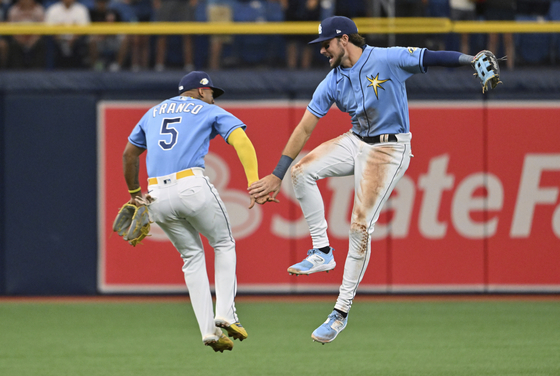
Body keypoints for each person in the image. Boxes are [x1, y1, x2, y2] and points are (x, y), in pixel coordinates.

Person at [248, 16, 494, 344]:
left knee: (359, 228)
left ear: (344, 39)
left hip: (390, 148)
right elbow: (304, 127)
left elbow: (430, 57)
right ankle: (322, 251)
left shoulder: (386, 58)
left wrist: (470, 59)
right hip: (356, 140)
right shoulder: (332, 81)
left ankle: (340, 313)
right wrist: (277, 174)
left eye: (326, 43)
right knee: (301, 172)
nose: (322, 50)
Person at [122, 71, 259, 352]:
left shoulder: (152, 112)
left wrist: (135, 194)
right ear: (200, 91)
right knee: (223, 243)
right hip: (191, 185)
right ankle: (226, 313)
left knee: (191, 257)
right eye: (211, 93)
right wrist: (253, 180)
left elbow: (129, 154)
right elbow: (240, 139)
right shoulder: (208, 109)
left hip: (155, 194)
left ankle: (209, 332)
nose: (213, 98)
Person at [44, 0, 91, 68]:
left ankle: (80, 71)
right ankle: (51, 72)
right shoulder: (53, 9)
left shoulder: (81, 9)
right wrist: (59, 38)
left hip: (76, 41)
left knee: (83, 42)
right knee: (48, 42)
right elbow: (47, 28)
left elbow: (85, 29)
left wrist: (73, 39)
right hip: (57, 40)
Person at [153, 0, 197, 72]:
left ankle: (189, 65)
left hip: (184, 3)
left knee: (187, 33)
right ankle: (159, 64)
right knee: (162, 33)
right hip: (166, 2)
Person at [6, 0, 46, 69]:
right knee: (13, 44)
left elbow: (42, 28)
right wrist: (20, 39)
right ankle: (17, 71)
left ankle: (37, 71)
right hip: (19, 38)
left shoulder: (38, 9)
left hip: (34, 37)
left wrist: (33, 40)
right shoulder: (14, 10)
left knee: (41, 43)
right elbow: (11, 28)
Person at [283, 0, 321, 70]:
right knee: (292, 41)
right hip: (292, 8)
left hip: (309, 13)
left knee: (308, 41)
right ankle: (291, 70)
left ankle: (306, 70)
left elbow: (312, 5)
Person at [88, 0, 125, 71]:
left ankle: (117, 65)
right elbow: (88, 30)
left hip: (112, 38)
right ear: (96, 3)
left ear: (107, 3)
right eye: (99, 2)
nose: (101, 4)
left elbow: (121, 29)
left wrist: (107, 33)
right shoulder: (92, 13)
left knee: (124, 38)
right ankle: (95, 65)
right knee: (91, 39)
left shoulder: (114, 13)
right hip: (98, 38)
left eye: (103, 2)